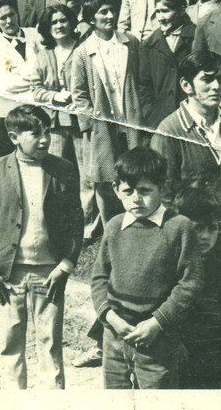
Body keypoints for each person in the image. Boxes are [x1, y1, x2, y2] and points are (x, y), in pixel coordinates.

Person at [0, 105, 83, 389]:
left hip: (51, 273)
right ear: (14, 137)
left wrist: (66, 265)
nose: (45, 140)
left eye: (47, 132)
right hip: (9, 274)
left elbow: (76, 221)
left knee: (50, 345)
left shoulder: (63, 169)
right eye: (36, 134)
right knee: (10, 344)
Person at [91, 147, 203, 389]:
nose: (136, 199)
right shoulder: (114, 226)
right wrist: (110, 317)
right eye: (128, 191)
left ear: (162, 187)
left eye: (145, 191)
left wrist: (156, 323)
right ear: (115, 189)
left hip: (158, 340)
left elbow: (189, 283)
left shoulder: (179, 227)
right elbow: (99, 277)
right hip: (115, 336)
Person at [71, 0, 141, 227]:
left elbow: (140, 78)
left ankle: (137, 219)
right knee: (104, 177)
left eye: (112, 11)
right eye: (103, 12)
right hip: (102, 124)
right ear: (92, 18)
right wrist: (91, 123)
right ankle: (111, 225)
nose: (110, 16)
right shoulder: (83, 52)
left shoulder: (130, 42)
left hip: (130, 118)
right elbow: (79, 93)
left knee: (135, 168)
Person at [31, 4, 96, 238]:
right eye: (53, 22)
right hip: (56, 124)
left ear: (71, 23)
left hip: (82, 122)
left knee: (88, 175)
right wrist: (54, 96)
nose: (59, 26)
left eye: (63, 20)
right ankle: (59, 225)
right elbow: (35, 89)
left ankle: (87, 228)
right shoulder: (43, 55)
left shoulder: (83, 49)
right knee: (57, 174)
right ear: (47, 28)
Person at [151, 51, 221, 204]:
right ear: (186, 86)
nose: (216, 86)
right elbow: (164, 197)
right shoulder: (168, 132)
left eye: (219, 79)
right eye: (207, 79)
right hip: (194, 224)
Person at [173, 185, 221, 389]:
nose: (205, 236)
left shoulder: (216, 264)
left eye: (213, 228)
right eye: (198, 228)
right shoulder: (171, 264)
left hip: (213, 353)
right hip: (179, 353)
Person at [0, 0, 40, 155]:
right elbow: (6, 83)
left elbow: (47, 68)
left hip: (37, 107)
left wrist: (21, 73)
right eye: (3, 18)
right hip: (9, 111)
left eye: (11, 15)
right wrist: (37, 77)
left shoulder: (34, 35)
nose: (9, 21)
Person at [139, 0, 195, 130]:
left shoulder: (196, 38)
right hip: (162, 120)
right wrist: (153, 116)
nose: (160, 17)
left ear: (181, 11)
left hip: (193, 116)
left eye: (165, 11)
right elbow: (144, 85)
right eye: (157, 12)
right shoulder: (149, 44)